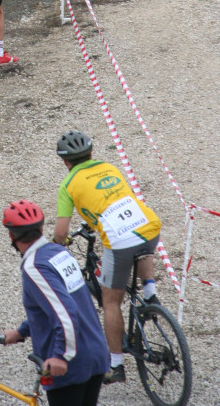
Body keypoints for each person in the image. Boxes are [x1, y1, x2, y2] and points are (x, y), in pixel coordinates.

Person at [53, 130, 162, 386]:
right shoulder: (109, 167)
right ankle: (150, 293)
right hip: (149, 226)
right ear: (92, 154)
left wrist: (61, 243)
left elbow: (60, 233)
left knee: (110, 301)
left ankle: (116, 365)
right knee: (141, 242)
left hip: (119, 243)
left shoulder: (68, 185)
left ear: (65, 162)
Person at [3, 199, 110, 406]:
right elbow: (61, 304)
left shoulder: (34, 267)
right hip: (95, 352)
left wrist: (61, 354)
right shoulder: (59, 252)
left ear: (11, 235)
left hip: (71, 365)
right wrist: (22, 331)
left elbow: (65, 312)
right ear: (41, 228)